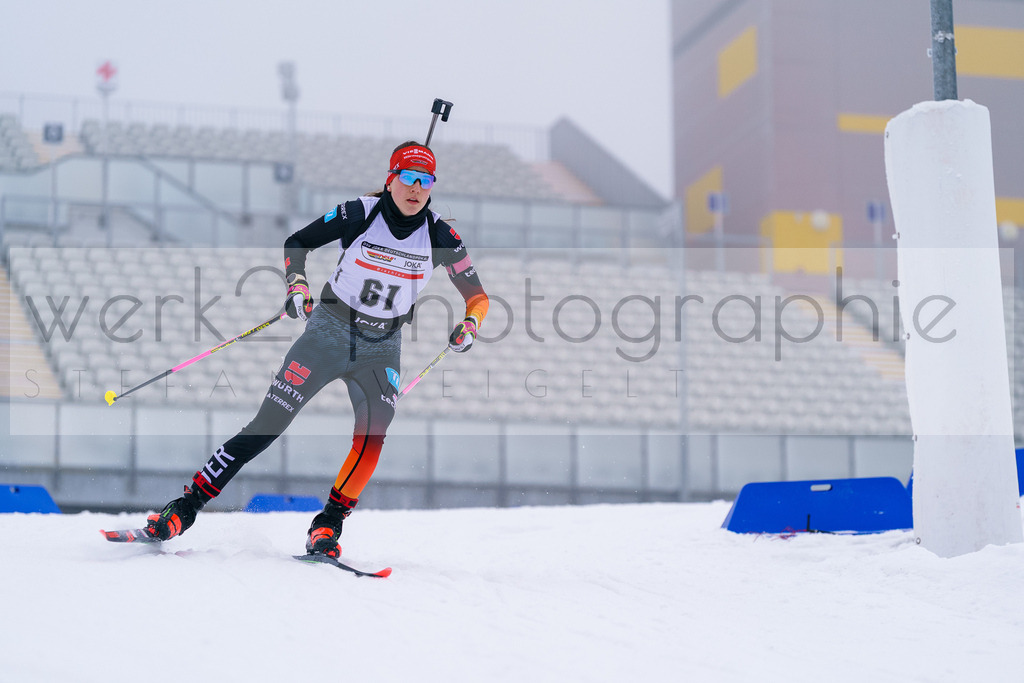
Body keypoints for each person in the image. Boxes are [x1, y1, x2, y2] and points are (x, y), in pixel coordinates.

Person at [142, 141, 489, 557]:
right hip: (328, 332)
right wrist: (297, 286)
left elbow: (478, 298)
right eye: (409, 178)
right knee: (266, 427)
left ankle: (327, 526)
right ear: (391, 179)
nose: (417, 188)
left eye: (427, 181)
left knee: (372, 437)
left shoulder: (440, 235)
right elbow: (296, 243)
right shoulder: (361, 213)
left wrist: (470, 325)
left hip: (382, 348)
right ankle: (184, 507)